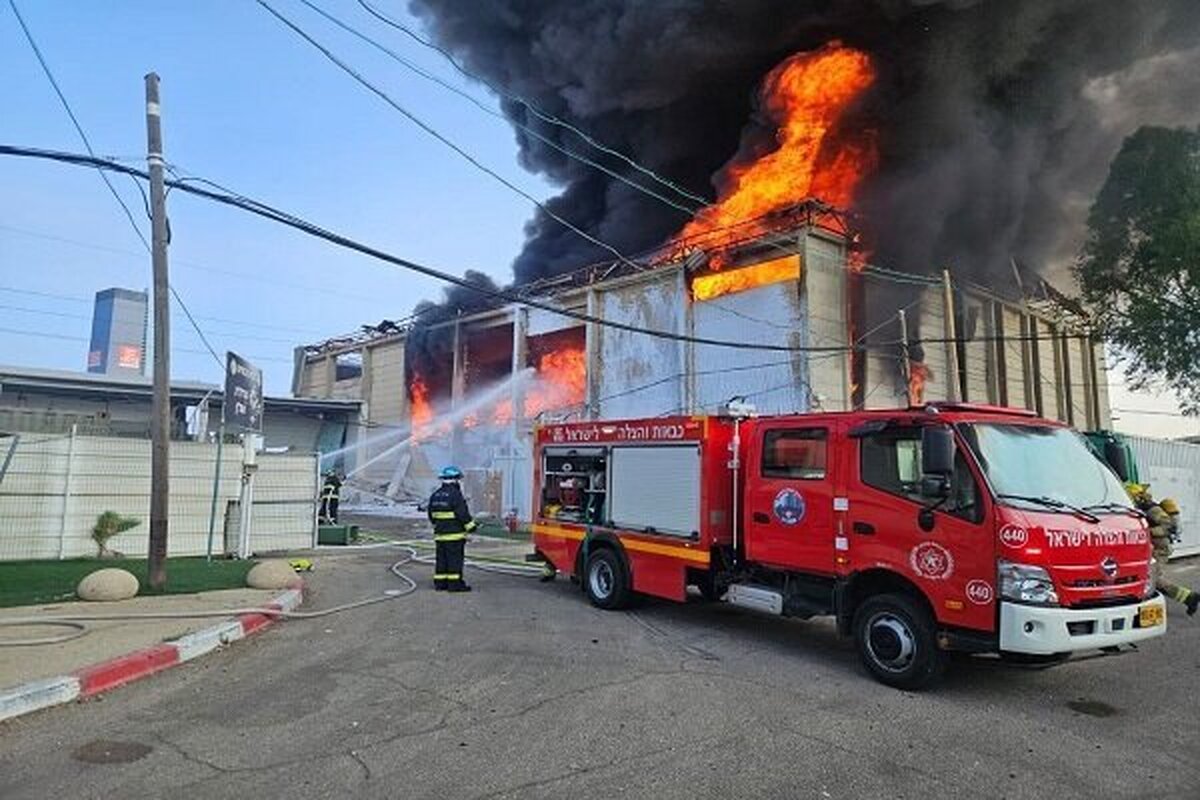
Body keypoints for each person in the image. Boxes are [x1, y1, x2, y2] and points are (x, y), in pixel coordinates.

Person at [1128, 485, 1198, 616]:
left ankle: (1189, 598)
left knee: (1153, 579)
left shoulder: (1152, 509)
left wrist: (1147, 532)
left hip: (1160, 548)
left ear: (1138, 496)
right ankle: (1187, 598)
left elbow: (1168, 525)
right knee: (1149, 577)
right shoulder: (1140, 508)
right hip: (1154, 547)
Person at [428, 466, 477, 592]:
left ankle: (440, 583)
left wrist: (439, 525)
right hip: (454, 535)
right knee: (454, 560)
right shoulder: (455, 495)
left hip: (440, 535)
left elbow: (431, 515)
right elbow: (462, 514)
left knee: (442, 560)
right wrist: (471, 527)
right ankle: (455, 584)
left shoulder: (436, 494)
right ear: (455, 480)